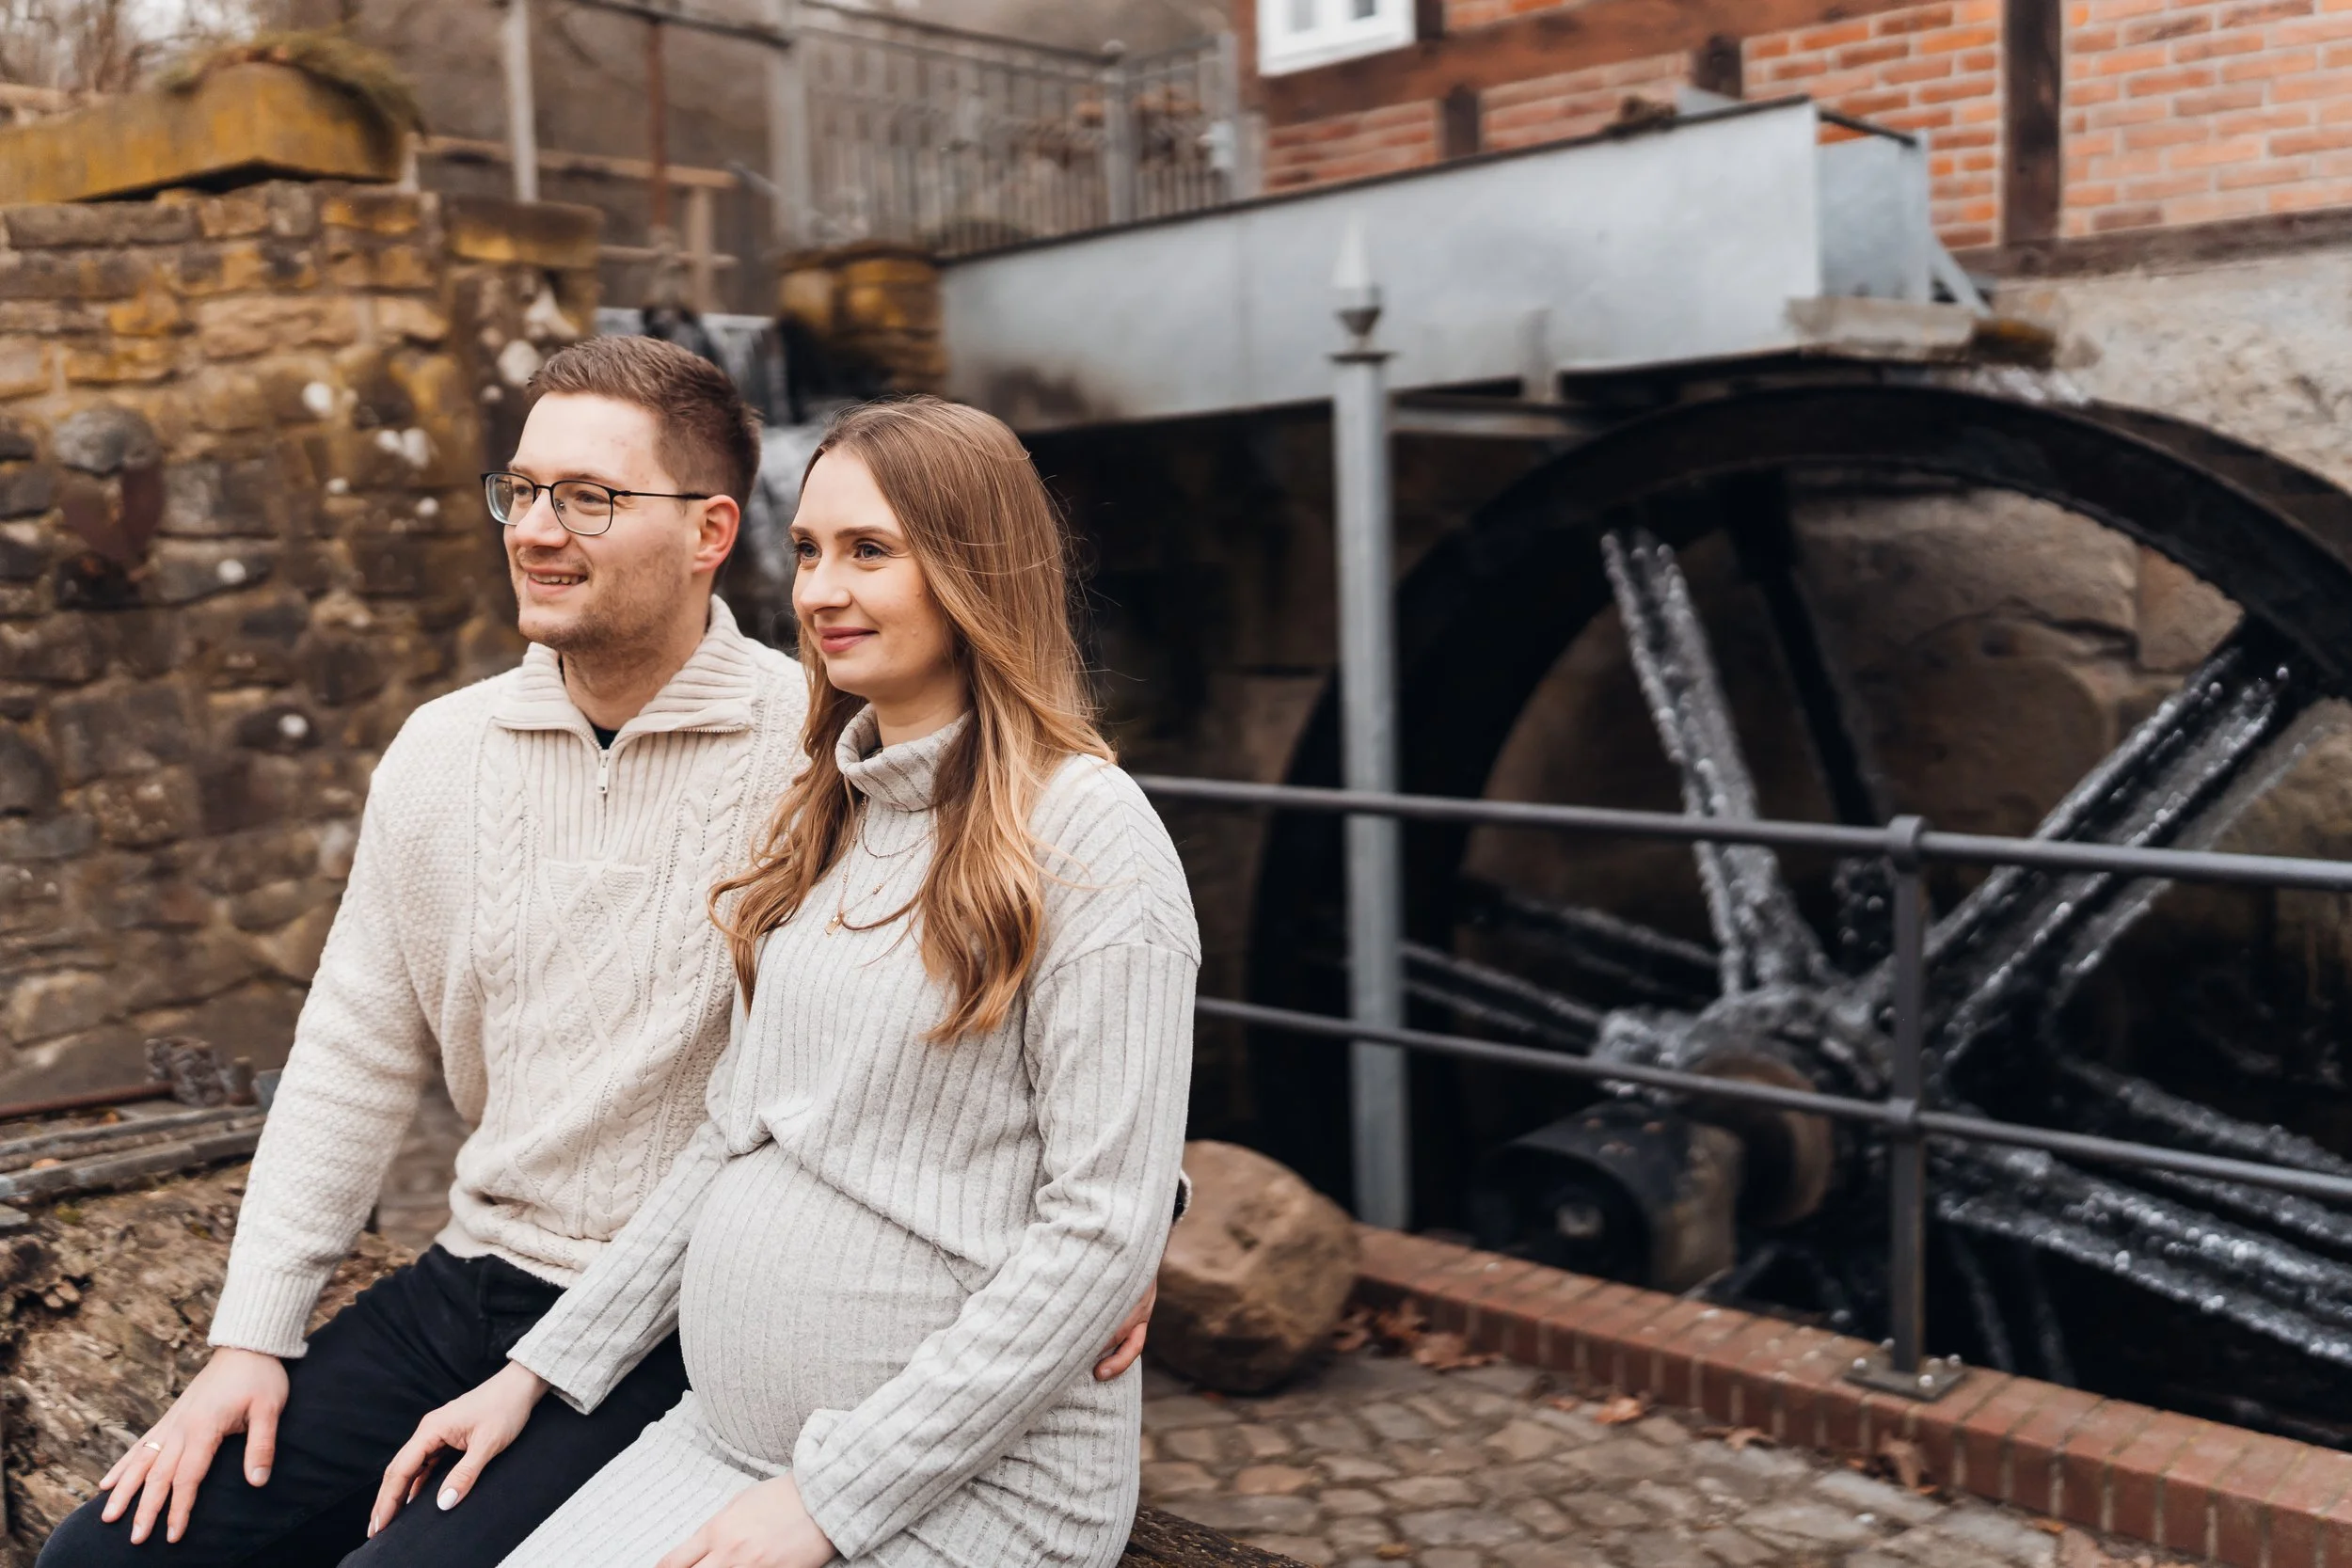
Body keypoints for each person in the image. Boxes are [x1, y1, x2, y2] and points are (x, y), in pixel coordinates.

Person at [40, 341, 1159, 1568]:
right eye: (520, 489)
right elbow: (353, 1054)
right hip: (466, 1277)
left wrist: (1141, 1214)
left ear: (711, 531)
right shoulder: (438, 753)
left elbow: (1021, 1027)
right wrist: (250, 1334)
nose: (534, 527)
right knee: (105, 1557)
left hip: (664, 1320)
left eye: (589, 496)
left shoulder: (817, 756)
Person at [371, 396, 1199, 1568]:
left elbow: (1099, 1223)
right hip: (722, 1443)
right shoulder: (831, 809)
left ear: (974, 568)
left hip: (962, 1483)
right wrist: (540, 1374)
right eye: (807, 551)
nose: (818, 590)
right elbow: (730, 1138)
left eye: (870, 551)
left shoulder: (1085, 833)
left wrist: (832, 1496)